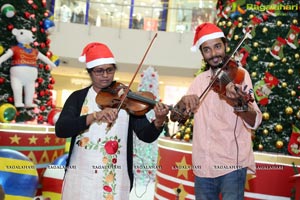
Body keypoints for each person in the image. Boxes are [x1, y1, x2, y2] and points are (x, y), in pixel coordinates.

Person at [55, 42, 169, 199]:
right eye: (99, 71)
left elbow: (146, 135)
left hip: (115, 178)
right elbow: (62, 129)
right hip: (80, 176)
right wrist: (93, 116)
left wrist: (159, 121)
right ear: (89, 72)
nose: (105, 75)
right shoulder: (78, 97)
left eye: (110, 70)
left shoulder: (126, 99)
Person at [170, 23, 262, 200]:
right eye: (207, 50)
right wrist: (182, 103)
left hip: (232, 165)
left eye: (217, 46)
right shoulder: (199, 82)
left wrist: (237, 101)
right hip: (203, 166)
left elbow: (255, 120)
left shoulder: (241, 76)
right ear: (203, 54)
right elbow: (176, 117)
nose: (214, 54)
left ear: (225, 46)